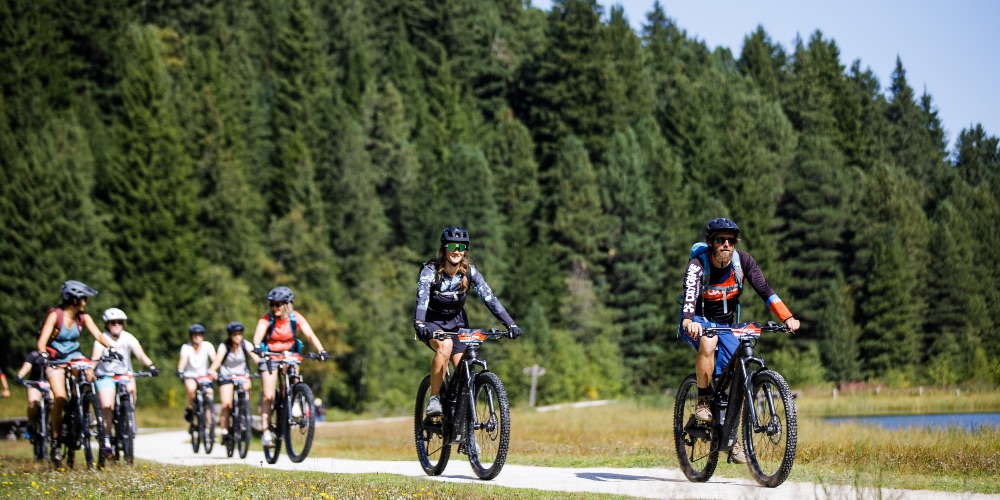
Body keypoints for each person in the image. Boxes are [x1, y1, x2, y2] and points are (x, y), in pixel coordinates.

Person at [679, 218, 800, 464]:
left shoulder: (743, 262)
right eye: (720, 240)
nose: (726, 244)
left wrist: (787, 317)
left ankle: (732, 439)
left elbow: (766, 291)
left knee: (741, 373)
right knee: (708, 342)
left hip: (727, 326)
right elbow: (690, 295)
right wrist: (688, 319)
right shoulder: (697, 265)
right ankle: (703, 400)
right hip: (699, 320)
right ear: (710, 243)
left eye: (730, 240)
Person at [413, 226, 522, 418]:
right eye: (453, 245)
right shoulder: (430, 271)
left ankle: (464, 425)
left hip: (457, 323)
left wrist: (510, 324)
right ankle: (435, 399)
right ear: (444, 248)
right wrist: (420, 324)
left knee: (464, 367)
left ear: (465, 250)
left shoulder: (469, 273)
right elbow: (422, 299)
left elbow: (490, 298)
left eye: (462, 246)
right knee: (444, 347)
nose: (457, 250)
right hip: (433, 322)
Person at [37, 280, 114, 465]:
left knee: (88, 373)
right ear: (73, 299)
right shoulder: (55, 316)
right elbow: (42, 341)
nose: (85, 303)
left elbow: (98, 335)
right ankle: (55, 441)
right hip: (56, 359)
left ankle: (86, 405)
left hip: (74, 356)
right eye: (83, 299)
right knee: (60, 397)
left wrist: (110, 348)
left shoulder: (83, 317)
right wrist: (43, 354)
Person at [251, 286, 328, 448]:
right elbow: (258, 335)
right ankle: (266, 433)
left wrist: (321, 350)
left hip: (289, 355)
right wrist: (257, 345)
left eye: (278, 304)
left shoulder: (295, 318)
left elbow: (310, 335)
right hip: (270, 355)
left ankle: (294, 401)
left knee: (294, 377)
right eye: (272, 304)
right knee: (268, 395)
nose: (274, 308)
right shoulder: (266, 319)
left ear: (287, 305)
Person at [91, 308, 159, 458]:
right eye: (113, 322)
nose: (117, 325)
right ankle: (107, 440)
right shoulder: (102, 339)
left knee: (131, 389)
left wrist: (151, 366)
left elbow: (140, 355)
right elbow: (95, 358)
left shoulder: (128, 337)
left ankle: (129, 418)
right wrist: (91, 370)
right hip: (106, 375)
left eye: (120, 322)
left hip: (124, 374)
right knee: (107, 406)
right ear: (107, 324)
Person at [208, 321, 259, 447]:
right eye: (235, 334)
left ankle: (244, 411)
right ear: (230, 335)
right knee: (226, 404)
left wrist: (263, 366)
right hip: (226, 376)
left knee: (247, 387)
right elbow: (218, 361)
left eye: (240, 334)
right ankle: (225, 431)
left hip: (242, 375)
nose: (238, 337)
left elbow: (256, 358)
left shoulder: (245, 344)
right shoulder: (224, 346)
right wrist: (212, 370)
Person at [177, 324, 217, 427]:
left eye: (199, 334)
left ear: (203, 336)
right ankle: (190, 409)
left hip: (204, 376)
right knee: (191, 389)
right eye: (195, 335)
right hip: (190, 375)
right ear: (191, 336)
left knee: (209, 394)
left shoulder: (208, 346)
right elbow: (183, 361)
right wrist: (180, 370)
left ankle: (210, 425)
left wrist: (214, 369)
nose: (197, 337)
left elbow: (215, 360)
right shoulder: (186, 347)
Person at [14, 351, 47, 439]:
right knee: (32, 403)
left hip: (51, 384)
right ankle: (31, 424)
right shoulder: (34, 355)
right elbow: (27, 366)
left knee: (53, 402)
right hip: (35, 384)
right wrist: (20, 375)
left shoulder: (57, 354)